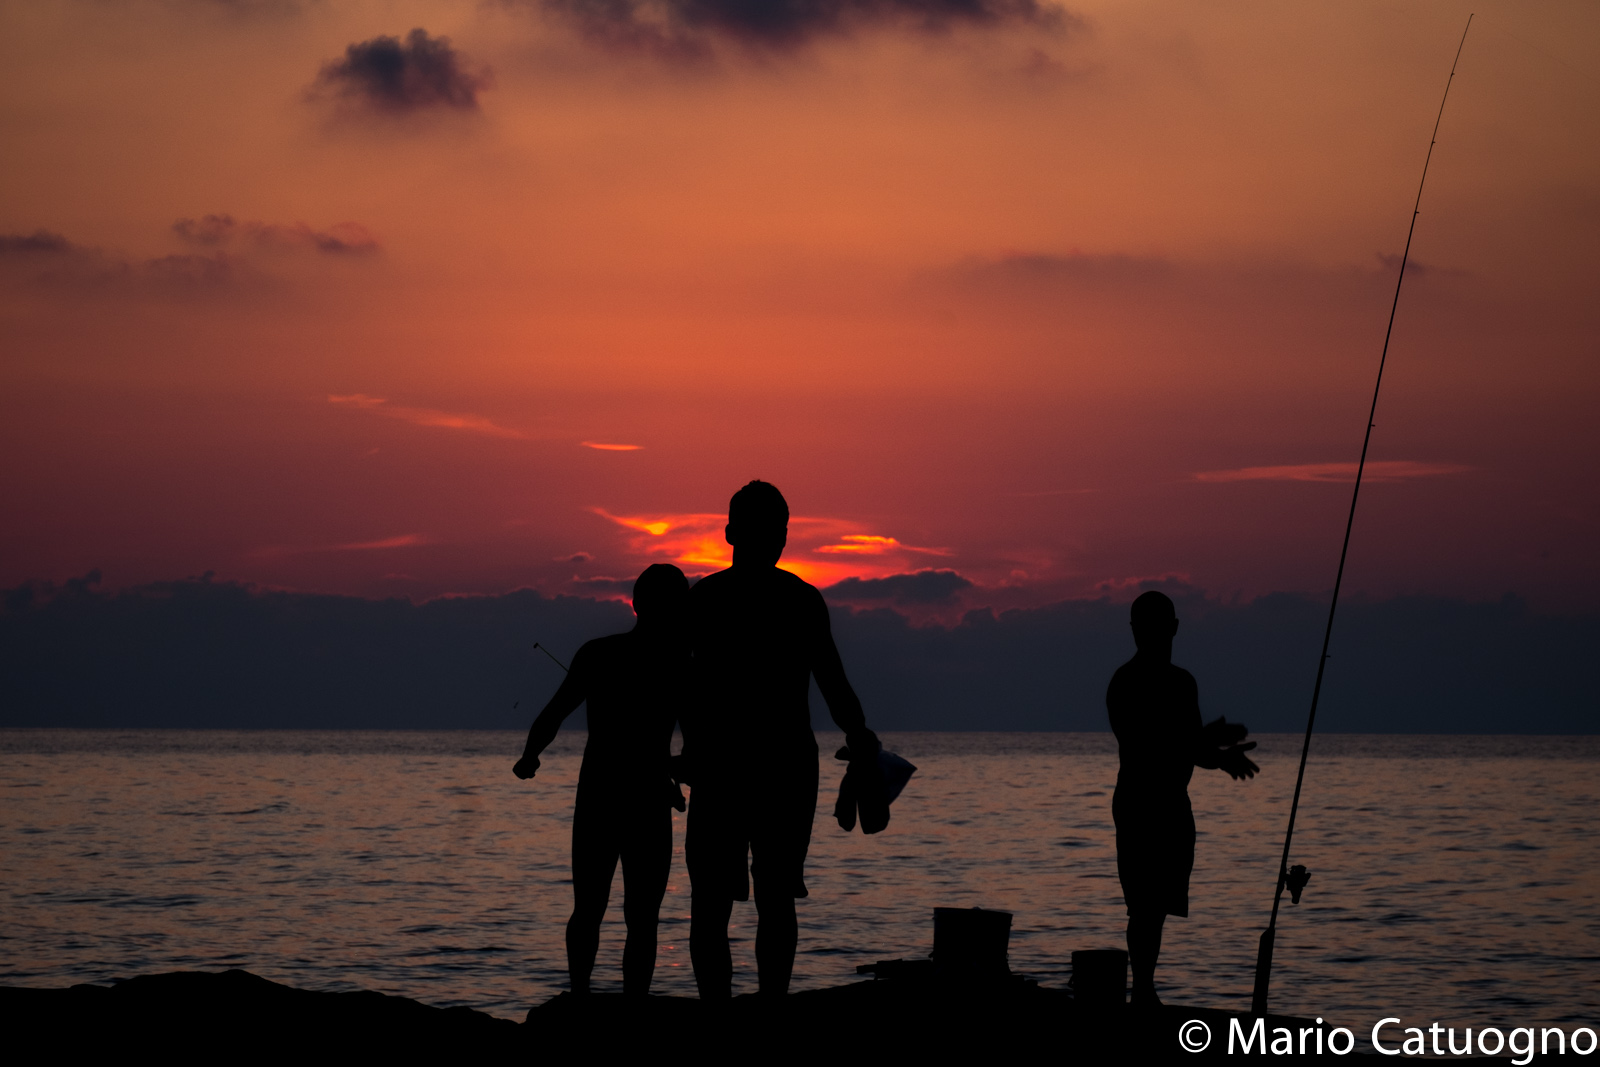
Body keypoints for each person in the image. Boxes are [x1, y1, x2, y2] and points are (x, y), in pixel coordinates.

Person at [682, 480, 886, 999]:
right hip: (762, 766)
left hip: (739, 766)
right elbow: (833, 682)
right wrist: (858, 732)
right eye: (768, 530)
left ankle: (727, 1010)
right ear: (733, 534)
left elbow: (679, 686)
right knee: (762, 896)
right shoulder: (793, 599)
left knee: (729, 899)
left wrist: (859, 734)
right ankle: (764, 1007)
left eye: (776, 531)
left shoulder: (711, 598)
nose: (772, 540)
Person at [512, 563, 691, 996]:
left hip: (600, 797)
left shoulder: (600, 654)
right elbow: (696, 744)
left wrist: (530, 757)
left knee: (590, 908)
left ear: (635, 604)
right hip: (644, 800)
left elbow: (553, 714)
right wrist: (675, 771)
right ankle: (632, 1003)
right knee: (641, 916)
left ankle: (580, 996)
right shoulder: (680, 665)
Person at [1106, 590, 1259, 1009]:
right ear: (1134, 631)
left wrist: (1221, 757)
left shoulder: (1182, 683)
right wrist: (1207, 741)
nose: (1150, 634)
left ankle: (1145, 990)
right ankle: (1143, 992)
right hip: (1138, 804)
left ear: (1173, 628)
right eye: (1144, 627)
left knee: (1157, 907)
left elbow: (1192, 751)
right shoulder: (1125, 682)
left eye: (1157, 626)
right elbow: (1146, 745)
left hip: (1175, 804)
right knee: (1143, 905)